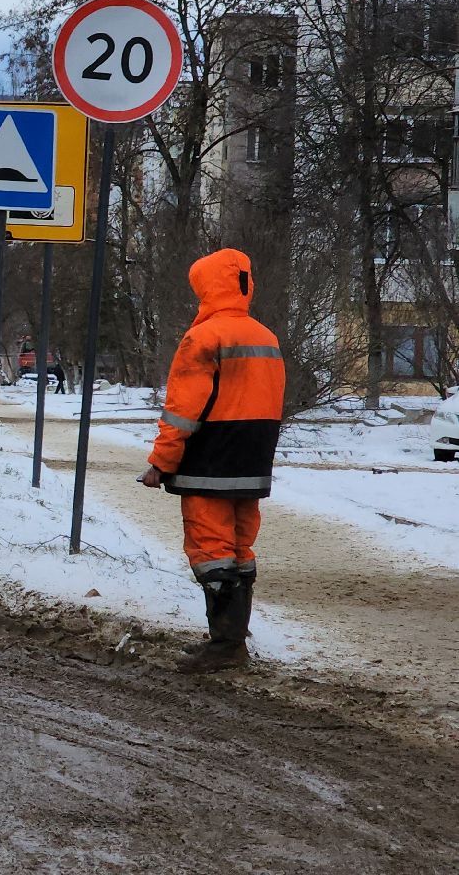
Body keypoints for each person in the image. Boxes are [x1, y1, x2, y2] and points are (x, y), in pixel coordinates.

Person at [141, 248, 285, 674]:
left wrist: (160, 463)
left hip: (210, 460)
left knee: (211, 550)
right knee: (241, 547)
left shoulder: (202, 338)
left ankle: (224, 646)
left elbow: (181, 413)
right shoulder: (267, 336)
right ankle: (233, 639)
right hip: (253, 458)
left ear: (206, 287)